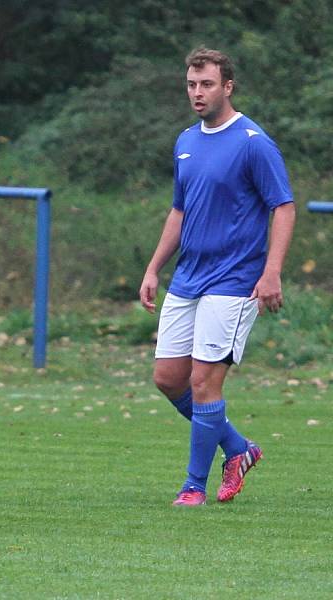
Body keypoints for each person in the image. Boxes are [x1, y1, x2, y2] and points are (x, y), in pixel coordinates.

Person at [139, 48, 295, 506]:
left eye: (206, 84)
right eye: (191, 84)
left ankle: (194, 487)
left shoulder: (253, 141)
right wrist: (154, 268)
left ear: (227, 86)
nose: (197, 92)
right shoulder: (186, 140)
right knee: (169, 379)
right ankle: (239, 448)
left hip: (234, 280)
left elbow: (283, 207)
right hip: (187, 278)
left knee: (205, 383)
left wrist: (272, 272)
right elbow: (180, 211)